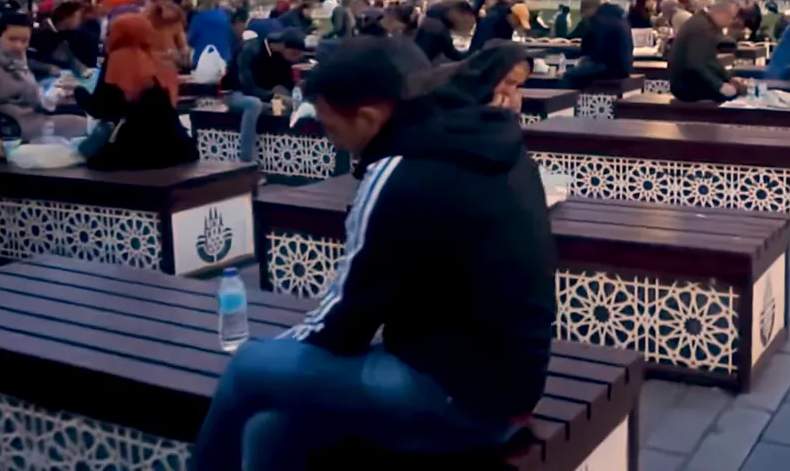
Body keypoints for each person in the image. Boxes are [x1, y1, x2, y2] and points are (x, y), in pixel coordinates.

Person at [191, 36, 556, 469]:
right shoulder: (482, 138)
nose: (332, 144)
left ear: (366, 117)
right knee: (271, 429)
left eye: (331, 129)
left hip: (458, 397)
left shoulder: (400, 171)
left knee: (250, 367)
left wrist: (281, 352)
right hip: (512, 388)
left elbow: (342, 325)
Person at [79, 14, 198, 170]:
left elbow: (103, 108)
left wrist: (79, 93)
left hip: (135, 146)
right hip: (174, 147)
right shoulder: (155, 58)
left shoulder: (117, 60)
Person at [0, 12, 89, 160]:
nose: (18, 45)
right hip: (9, 129)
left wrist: (54, 98)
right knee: (82, 129)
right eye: (12, 39)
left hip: (32, 119)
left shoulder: (18, 57)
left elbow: (30, 95)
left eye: (24, 41)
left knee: (84, 124)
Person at [219, 29, 306, 164]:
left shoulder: (280, 57)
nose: (295, 59)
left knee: (285, 106)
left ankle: (282, 157)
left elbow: (286, 84)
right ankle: (246, 160)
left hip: (265, 97)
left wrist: (295, 91)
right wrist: (275, 95)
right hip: (236, 94)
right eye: (294, 54)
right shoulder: (249, 49)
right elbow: (247, 87)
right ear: (283, 46)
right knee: (254, 104)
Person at [669, 0, 744, 102]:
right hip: (685, 86)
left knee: (737, 91)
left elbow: (710, 60)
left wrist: (728, 78)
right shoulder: (702, 27)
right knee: (732, 97)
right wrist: (719, 86)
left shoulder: (705, 22)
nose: (730, 23)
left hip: (690, 80)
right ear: (721, 14)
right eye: (730, 18)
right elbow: (695, 63)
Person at [563, 0, 633, 89]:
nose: (583, 16)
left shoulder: (599, 20)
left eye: (583, 12)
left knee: (568, 75)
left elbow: (597, 51)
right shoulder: (617, 15)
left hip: (611, 67)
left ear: (590, 9)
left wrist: (584, 58)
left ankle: (567, 101)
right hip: (624, 66)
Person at [29, 0, 91, 80]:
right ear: (67, 17)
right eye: (78, 17)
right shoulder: (41, 34)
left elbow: (70, 58)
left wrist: (82, 70)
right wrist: (46, 67)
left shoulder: (66, 35)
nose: (81, 21)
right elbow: (28, 60)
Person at [413, 0, 477, 64]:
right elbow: (452, 55)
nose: (467, 28)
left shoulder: (432, 21)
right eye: (466, 23)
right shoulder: (438, 29)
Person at [188, 1, 238, 67]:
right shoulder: (225, 17)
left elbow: (191, 40)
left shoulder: (198, 18)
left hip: (201, 60)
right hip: (223, 59)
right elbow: (233, 37)